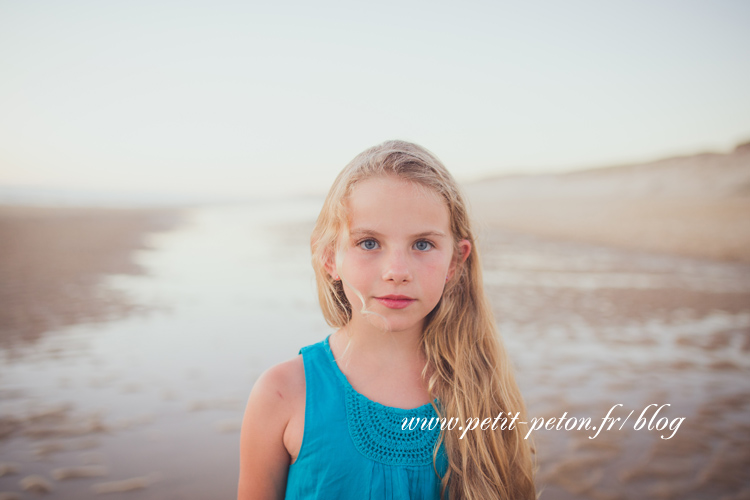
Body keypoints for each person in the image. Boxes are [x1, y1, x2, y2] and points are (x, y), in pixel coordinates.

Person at [238, 140, 536, 499]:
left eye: (422, 244)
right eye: (368, 243)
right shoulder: (282, 394)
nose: (397, 272)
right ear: (329, 257)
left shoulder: (483, 389)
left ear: (455, 262)